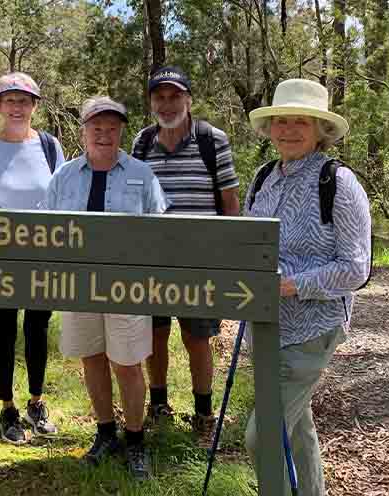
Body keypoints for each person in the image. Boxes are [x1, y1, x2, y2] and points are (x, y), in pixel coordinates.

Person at [244, 78, 371, 495]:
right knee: (295, 430)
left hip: (312, 328)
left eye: (302, 121)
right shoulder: (263, 178)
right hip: (264, 328)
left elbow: (355, 269)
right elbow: (248, 244)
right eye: (281, 120)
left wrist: (291, 285)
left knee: (263, 436)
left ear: (320, 130)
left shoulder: (339, 183)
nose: (289, 129)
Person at [44, 96, 169, 480]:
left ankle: (135, 442)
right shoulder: (63, 176)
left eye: (111, 128)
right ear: (84, 131)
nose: (104, 134)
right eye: (96, 127)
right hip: (78, 286)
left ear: (120, 132)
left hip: (127, 287)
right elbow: (45, 230)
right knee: (92, 358)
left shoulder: (142, 174)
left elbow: (161, 229)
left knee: (127, 363)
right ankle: (104, 433)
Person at [132, 66, 240, 439]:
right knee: (154, 335)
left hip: (200, 262)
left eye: (174, 96)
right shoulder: (142, 143)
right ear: (151, 103)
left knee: (197, 338)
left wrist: (230, 257)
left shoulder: (213, 140)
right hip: (152, 261)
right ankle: (159, 406)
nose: (166, 104)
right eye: (159, 97)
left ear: (188, 99)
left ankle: (203, 415)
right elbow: (135, 201)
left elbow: (229, 200)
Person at [0, 72, 65, 444]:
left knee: (37, 328)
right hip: (1, 257)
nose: (16, 107)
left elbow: (61, 194)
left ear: (34, 106)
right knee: (5, 328)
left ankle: (37, 402)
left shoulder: (50, 146)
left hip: (43, 255)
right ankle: (7, 407)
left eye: (23, 100)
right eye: (9, 100)